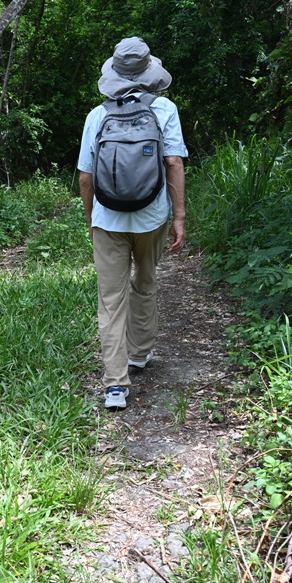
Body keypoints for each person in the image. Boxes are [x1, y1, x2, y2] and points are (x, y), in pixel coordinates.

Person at [77, 37, 187, 411]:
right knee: (146, 280)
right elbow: (173, 163)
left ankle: (115, 386)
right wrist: (179, 216)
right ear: (148, 73)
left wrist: (93, 217)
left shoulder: (97, 116)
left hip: (108, 219)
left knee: (111, 300)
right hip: (152, 216)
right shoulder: (165, 109)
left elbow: (85, 176)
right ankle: (139, 352)